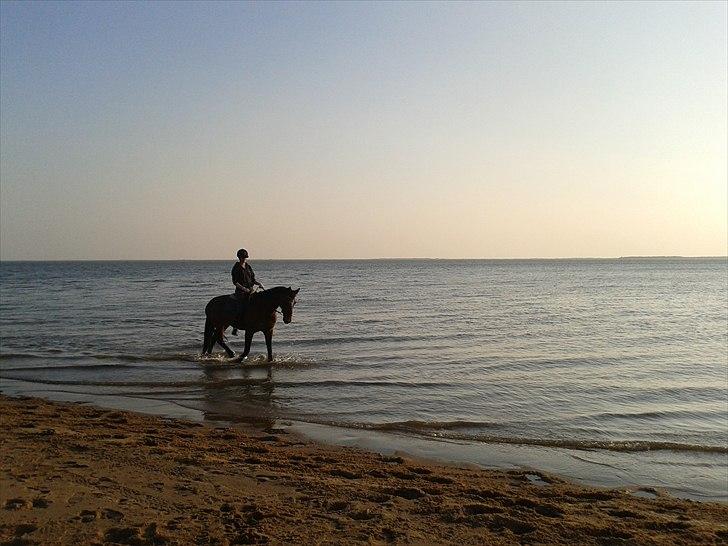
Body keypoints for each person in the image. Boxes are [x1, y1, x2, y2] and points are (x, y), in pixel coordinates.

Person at [231, 248, 264, 335]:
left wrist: (259, 283)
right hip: (241, 291)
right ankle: (236, 326)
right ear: (239, 257)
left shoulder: (248, 267)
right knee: (241, 306)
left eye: (245, 257)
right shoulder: (236, 268)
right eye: (242, 257)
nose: (244, 259)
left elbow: (253, 279)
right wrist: (244, 289)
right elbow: (235, 282)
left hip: (251, 290)